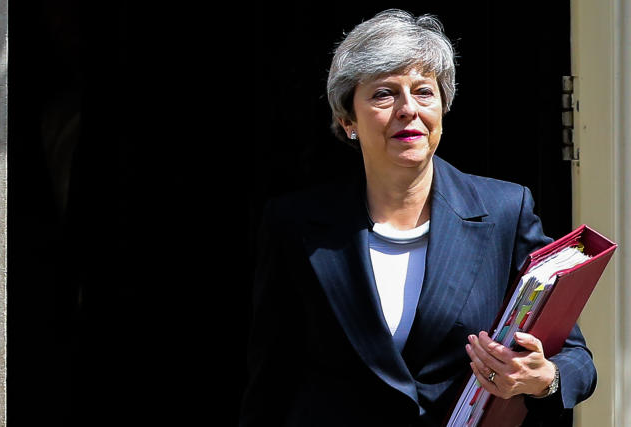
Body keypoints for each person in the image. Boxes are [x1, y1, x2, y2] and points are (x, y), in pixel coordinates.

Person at [240, 9, 596, 427]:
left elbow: (576, 361)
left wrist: (542, 379)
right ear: (347, 120)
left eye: (424, 92)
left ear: (442, 108)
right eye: (384, 94)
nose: (408, 109)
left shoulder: (504, 210)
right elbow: (271, 377)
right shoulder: (295, 223)